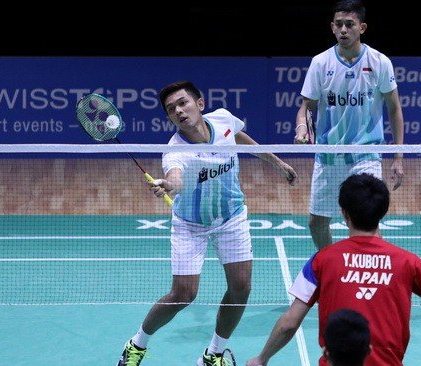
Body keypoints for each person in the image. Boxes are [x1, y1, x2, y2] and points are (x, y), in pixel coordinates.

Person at [117, 80, 298, 366]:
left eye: (182, 103)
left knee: (241, 288)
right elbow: (175, 175)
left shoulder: (223, 119)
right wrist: (170, 184)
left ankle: (213, 354)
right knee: (183, 294)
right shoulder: (175, 151)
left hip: (231, 216)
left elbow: (240, 137)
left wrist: (277, 162)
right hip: (191, 224)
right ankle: (137, 344)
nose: (178, 111)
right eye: (171, 109)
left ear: (199, 104)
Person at [246, 173, 421, 366]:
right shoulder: (408, 263)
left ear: (344, 213)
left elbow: (290, 323)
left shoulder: (321, 260)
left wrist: (261, 359)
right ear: (382, 212)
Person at [294, 0, 405, 249]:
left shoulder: (379, 62)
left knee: (365, 221)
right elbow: (306, 107)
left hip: (366, 154)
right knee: (316, 222)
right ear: (332, 27)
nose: (344, 30)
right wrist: (301, 127)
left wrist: (398, 157)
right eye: (339, 25)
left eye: (350, 24)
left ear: (362, 27)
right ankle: (330, 263)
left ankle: (368, 269)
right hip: (329, 156)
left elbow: (394, 109)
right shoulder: (320, 63)